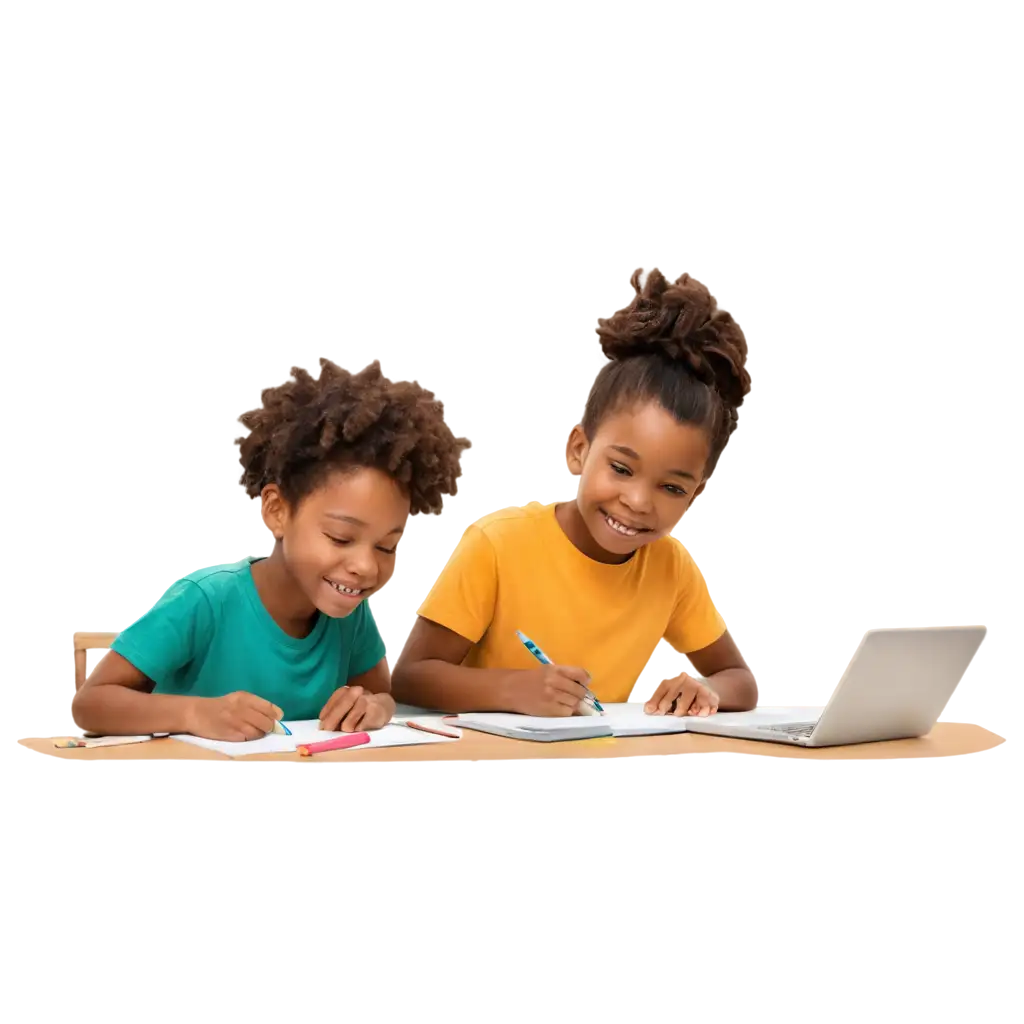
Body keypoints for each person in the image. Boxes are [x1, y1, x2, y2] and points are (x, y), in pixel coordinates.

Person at [392, 269, 758, 719]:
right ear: (578, 451)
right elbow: (411, 676)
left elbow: (740, 680)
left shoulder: (671, 570)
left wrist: (708, 691)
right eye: (622, 468)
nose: (639, 501)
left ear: (694, 496)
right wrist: (510, 689)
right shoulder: (498, 545)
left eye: (671, 487)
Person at [71, 358, 462, 741]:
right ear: (277, 511)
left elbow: (381, 694)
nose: (366, 566)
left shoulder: (350, 618)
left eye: (387, 547)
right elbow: (89, 705)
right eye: (341, 538)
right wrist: (193, 712)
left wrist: (375, 707)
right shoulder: (204, 601)